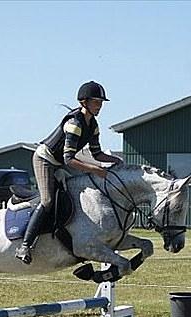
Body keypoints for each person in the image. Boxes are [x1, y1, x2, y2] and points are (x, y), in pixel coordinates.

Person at [15, 81, 123, 264]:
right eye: (96, 102)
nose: (100, 106)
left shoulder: (93, 125)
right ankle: (25, 245)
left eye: (101, 102)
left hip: (59, 162)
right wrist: (96, 170)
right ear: (84, 102)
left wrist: (117, 161)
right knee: (48, 201)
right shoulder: (74, 124)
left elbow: (97, 153)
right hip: (45, 159)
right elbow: (69, 160)